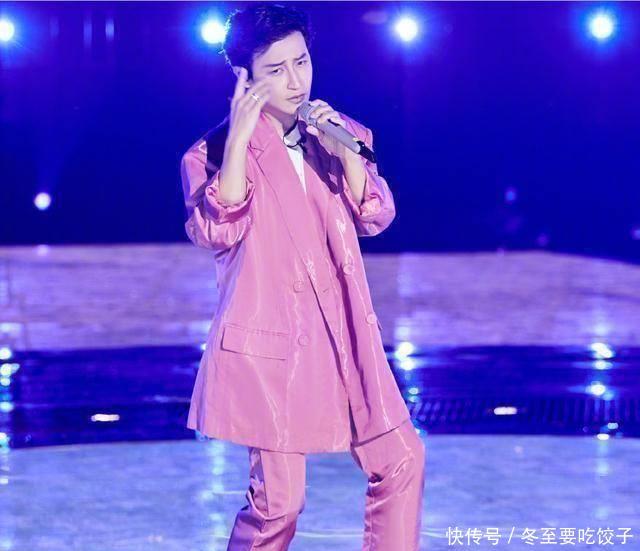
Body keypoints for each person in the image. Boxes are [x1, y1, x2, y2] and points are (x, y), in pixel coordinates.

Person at [179, 4, 425, 550]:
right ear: (243, 77)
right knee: (279, 504)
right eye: (276, 69)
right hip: (273, 349)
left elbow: (375, 216)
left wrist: (347, 154)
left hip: (346, 336)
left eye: (302, 62)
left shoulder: (337, 133)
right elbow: (217, 229)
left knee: (402, 459)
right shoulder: (211, 154)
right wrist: (239, 140)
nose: (295, 82)